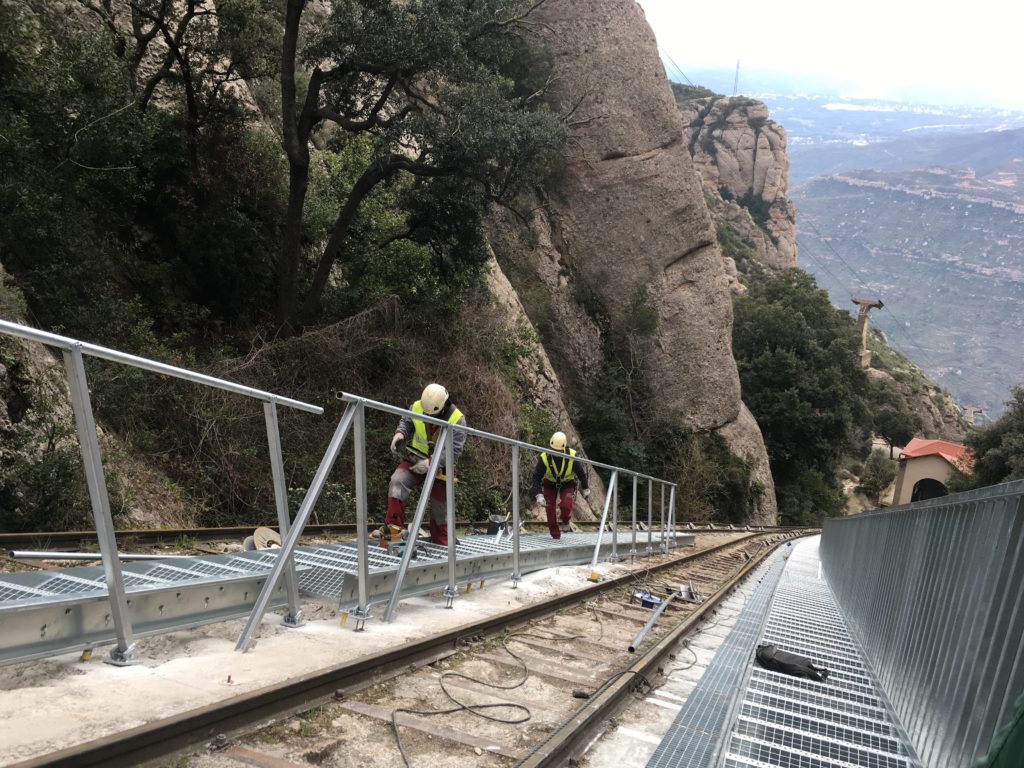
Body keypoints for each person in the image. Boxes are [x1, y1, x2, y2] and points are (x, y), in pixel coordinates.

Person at [382, 383, 466, 546]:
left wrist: (430, 463)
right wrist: (400, 434)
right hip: (415, 459)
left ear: (444, 406)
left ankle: (442, 541)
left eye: (433, 414)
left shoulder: (457, 420)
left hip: (441, 466)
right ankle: (392, 535)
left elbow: (454, 452)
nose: (430, 417)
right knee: (397, 482)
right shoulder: (417, 406)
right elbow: (407, 421)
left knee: (440, 505)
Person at [529, 431, 589, 539]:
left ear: (564, 448)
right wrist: (538, 494)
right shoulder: (545, 457)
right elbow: (536, 477)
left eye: (558, 451)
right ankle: (555, 535)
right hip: (549, 484)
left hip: (567, 483)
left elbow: (581, 473)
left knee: (566, 504)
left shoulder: (572, 456)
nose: (556, 454)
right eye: (553, 451)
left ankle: (565, 520)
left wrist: (585, 488)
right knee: (549, 508)